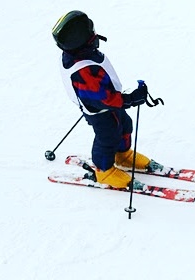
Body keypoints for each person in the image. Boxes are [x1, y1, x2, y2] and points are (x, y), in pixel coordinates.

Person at [52, 10, 157, 189]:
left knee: (125, 125)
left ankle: (122, 154)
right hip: (99, 111)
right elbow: (104, 99)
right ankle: (104, 170)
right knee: (107, 137)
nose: (94, 34)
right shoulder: (83, 71)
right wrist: (131, 99)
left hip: (109, 105)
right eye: (90, 32)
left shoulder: (83, 54)